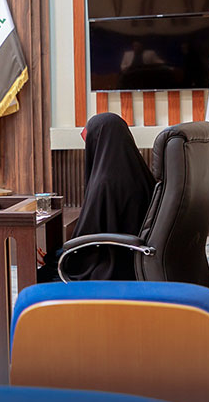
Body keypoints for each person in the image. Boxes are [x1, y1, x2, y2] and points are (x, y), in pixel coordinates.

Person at [63, 112, 156, 281]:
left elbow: (85, 238)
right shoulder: (141, 173)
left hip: (115, 266)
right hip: (142, 260)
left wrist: (61, 254)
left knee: (49, 269)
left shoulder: (105, 184)